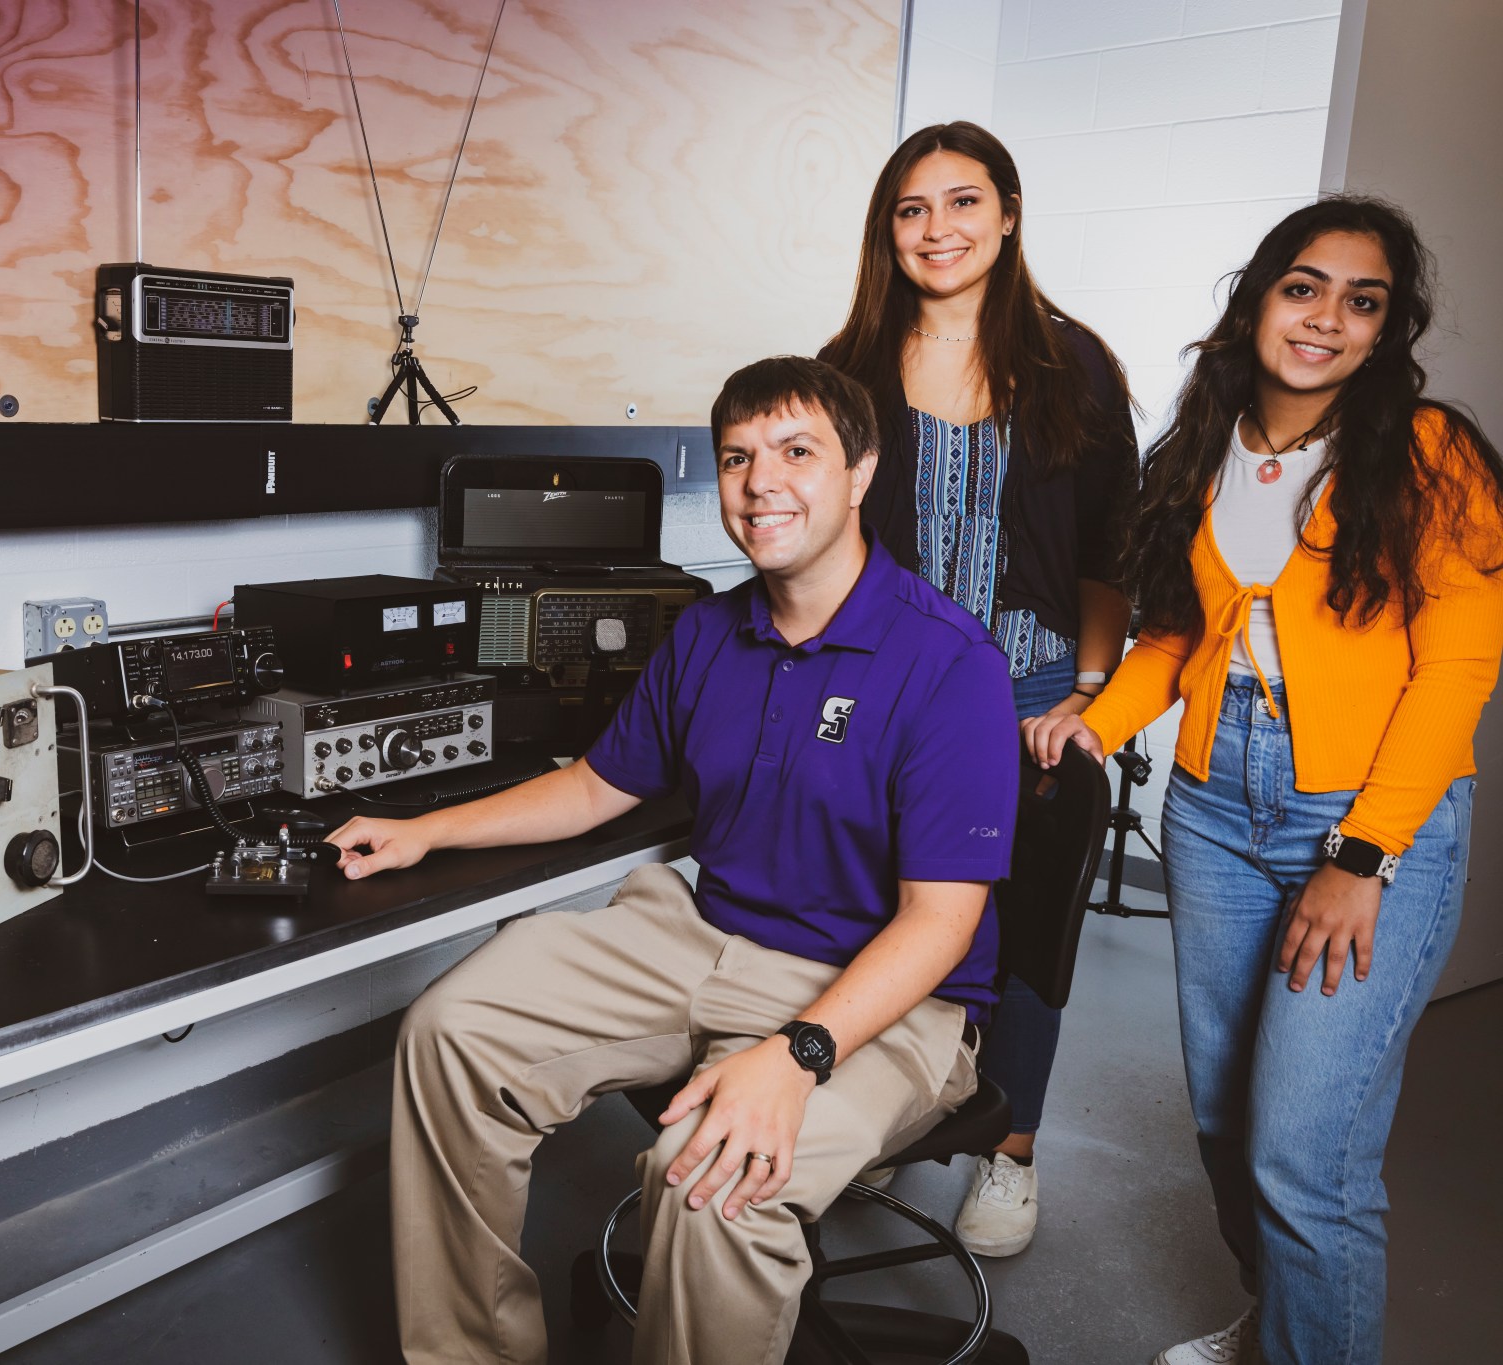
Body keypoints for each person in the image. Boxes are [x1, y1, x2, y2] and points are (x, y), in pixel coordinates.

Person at [330, 355, 1019, 1364]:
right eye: (736, 457)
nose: (759, 483)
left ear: (859, 472)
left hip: (876, 995)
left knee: (715, 1184)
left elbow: (938, 922)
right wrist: (427, 828)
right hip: (698, 933)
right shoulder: (707, 633)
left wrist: (794, 1056)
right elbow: (593, 787)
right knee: (450, 1031)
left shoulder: (947, 664)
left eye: (795, 452)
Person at [1026, 196, 1503, 1365]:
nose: (1326, 318)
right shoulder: (1205, 447)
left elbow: (1457, 670)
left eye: (1362, 300)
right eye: (1303, 287)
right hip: (1211, 810)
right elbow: (1178, 639)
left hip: (1358, 816)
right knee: (1223, 1115)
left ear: (1386, 331)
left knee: (1305, 1150)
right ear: (1256, 300)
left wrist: (1360, 856)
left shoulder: (1428, 454)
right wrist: (1095, 719)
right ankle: (1281, 1330)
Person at [819, 120, 1136, 1256]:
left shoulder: (1073, 366)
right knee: (868, 910)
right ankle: (871, 1110)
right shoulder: (843, 369)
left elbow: (1110, 547)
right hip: (884, 690)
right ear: (886, 231)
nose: (936, 228)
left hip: (1027, 690)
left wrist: (1090, 692)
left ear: (1005, 215)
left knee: (1016, 927)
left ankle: (1008, 1151)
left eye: (961, 203)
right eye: (911, 209)